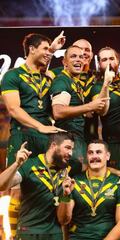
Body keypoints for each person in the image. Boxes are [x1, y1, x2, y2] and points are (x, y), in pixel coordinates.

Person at [0, 32, 65, 237]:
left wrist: (52, 48)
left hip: (46, 137)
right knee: (17, 188)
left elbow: (43, 64)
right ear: (31, 49)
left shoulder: (48, 75)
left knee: (48, 188)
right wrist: (40, 126)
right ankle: (10, 235)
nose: (49, 53)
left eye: (49, 50)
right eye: (44, 49)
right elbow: (13, 109)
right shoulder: (12, 75)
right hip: (25, 134)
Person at [0, 132, 79, 240]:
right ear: (53, 146)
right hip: (28, 233)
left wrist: (66, 195)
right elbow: (1, 185)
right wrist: (16, 164)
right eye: (67, 148)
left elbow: (63, 220)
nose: (70, 153)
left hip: (54, 235)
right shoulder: (30, 165)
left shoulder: (66, 173)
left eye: (72, 149)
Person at [57, 139, 120, 240]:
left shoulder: (119, 183)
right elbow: (63, 220)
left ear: (108, 156)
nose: (94, 156)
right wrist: (65, 196)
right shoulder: (75, 181)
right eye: (90, 153)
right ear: (87, 156)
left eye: (99, 152)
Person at [49, 45, 109, 164]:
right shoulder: (62, 80)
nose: (78, 59)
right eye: (73, 56)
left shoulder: (75, 82)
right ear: (64, 62)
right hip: (66, 139)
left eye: (81, 57)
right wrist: (90, 106)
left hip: (76, 139)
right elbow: (58, 112)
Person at [86, 47, 120, 169]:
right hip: (113, 143)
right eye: (104, 59)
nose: (109, 62)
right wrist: (106, 83)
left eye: (112, 58)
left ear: (118, 61)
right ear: (99, 64)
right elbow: (101, 110)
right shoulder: (97, 87)